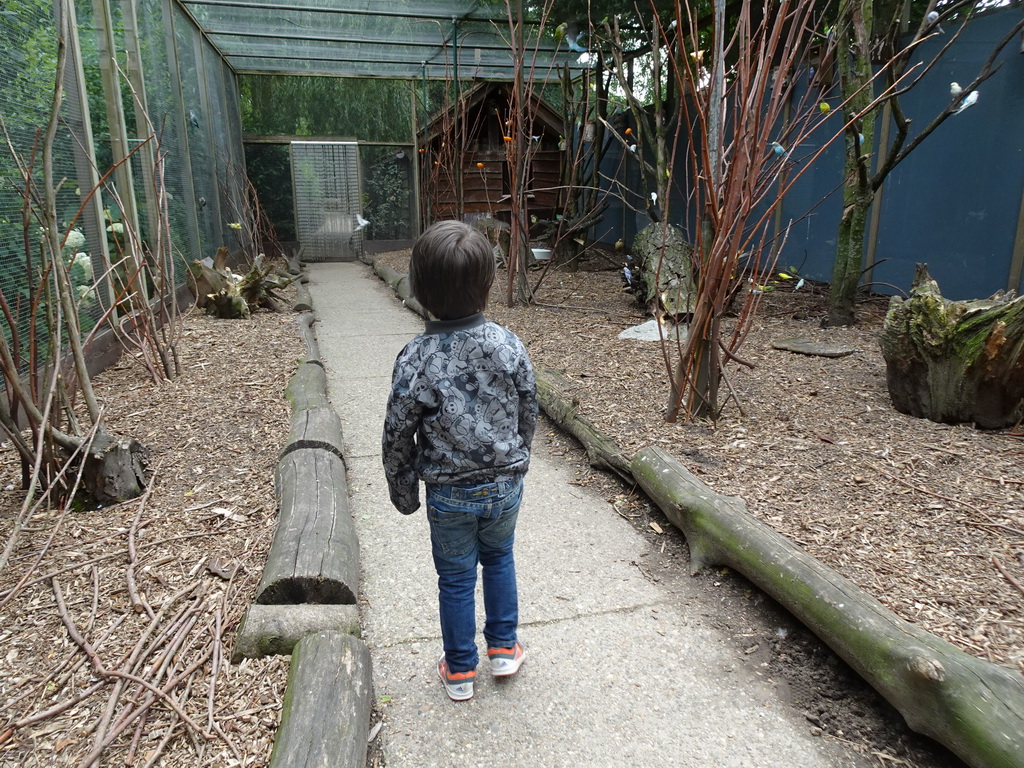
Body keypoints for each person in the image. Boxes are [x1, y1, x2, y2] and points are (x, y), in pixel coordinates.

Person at [382, 220, 538, 702]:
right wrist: (520, 453)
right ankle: (505, 650)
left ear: (420, 288)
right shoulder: (508, 344)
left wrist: (403, 489)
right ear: (488, 285)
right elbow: (527, 405)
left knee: (454, 578)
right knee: (499, 559)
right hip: (504, 484)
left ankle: (460, 670)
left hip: (449, 494)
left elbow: (396, 430)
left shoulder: (416, 357)